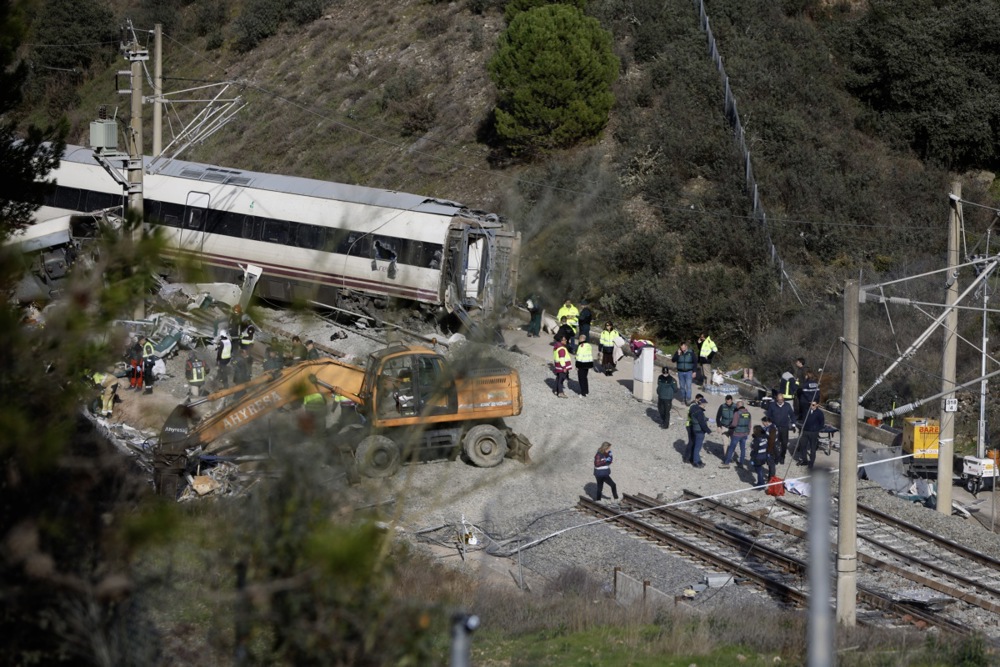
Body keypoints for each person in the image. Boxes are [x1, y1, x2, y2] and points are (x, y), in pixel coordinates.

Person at [765, 392, 796, 465]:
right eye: (779, 400)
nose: (780, 401)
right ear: (776, 399)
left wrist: (793, 424)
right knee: (774, 443)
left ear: (783, 399)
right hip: (775, 427)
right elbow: (768, 415)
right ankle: (776, 457)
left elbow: (792, 415)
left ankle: (782, 457)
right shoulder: (772, 405)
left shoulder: (787, 405)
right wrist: (769, 423)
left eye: (782, 400)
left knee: (784, 443)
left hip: (784, 427)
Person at [721, 399, 752, 468]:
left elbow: (734, 424)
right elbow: (749, 425)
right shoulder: (748, 413)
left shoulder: (737, 413)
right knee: (743, 449)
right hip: (744, 434)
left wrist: (729, 427)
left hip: (737, 434)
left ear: (738, 406)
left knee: (731, 448)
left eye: (736, 405)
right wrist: (748, 432)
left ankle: (726, 463)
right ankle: (741, 463)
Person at [797, 400, 825, 468]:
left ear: (816, 405)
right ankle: (805, 460)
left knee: (812, 448)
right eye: (810, 404)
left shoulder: (819, 413)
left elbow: (822, 423)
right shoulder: (806, 411)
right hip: (805, 431)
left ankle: (811, 462)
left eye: (813, 405)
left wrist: (816, 429)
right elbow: (802, 419)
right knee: (803, 446)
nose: (811, 406)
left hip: (813, 432)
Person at [684, 394, 710, 468]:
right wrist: (708, 431)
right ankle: (693, 460)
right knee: (695, 445)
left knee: (694, 444)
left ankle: (694, 459)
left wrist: (706, 419)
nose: (705, 405)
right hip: (693, 427)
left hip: (693, 427)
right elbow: (701, 422)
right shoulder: (697, 410)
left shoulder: (694, 407)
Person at [749, 424, 773, 489]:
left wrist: (752, 459)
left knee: (758, 470)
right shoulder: (765, 437)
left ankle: (760, 484)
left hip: (757, 457)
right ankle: (761, 483)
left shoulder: (757, 439)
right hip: (764, 456)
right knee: (759, 469)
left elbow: (755, 449)